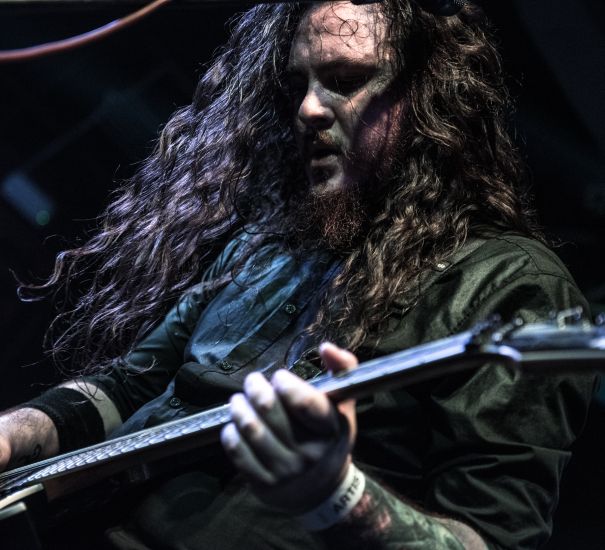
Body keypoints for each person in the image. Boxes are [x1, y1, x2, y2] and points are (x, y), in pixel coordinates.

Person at [0, 1, 595, 549]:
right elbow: (128, 388)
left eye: (346, 79)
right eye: (298, 85)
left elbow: (492, 539)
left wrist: (336, 493)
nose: (308, 108)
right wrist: (14, 431)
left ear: (431, 98)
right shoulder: (261, 247)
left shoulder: (510, 285)